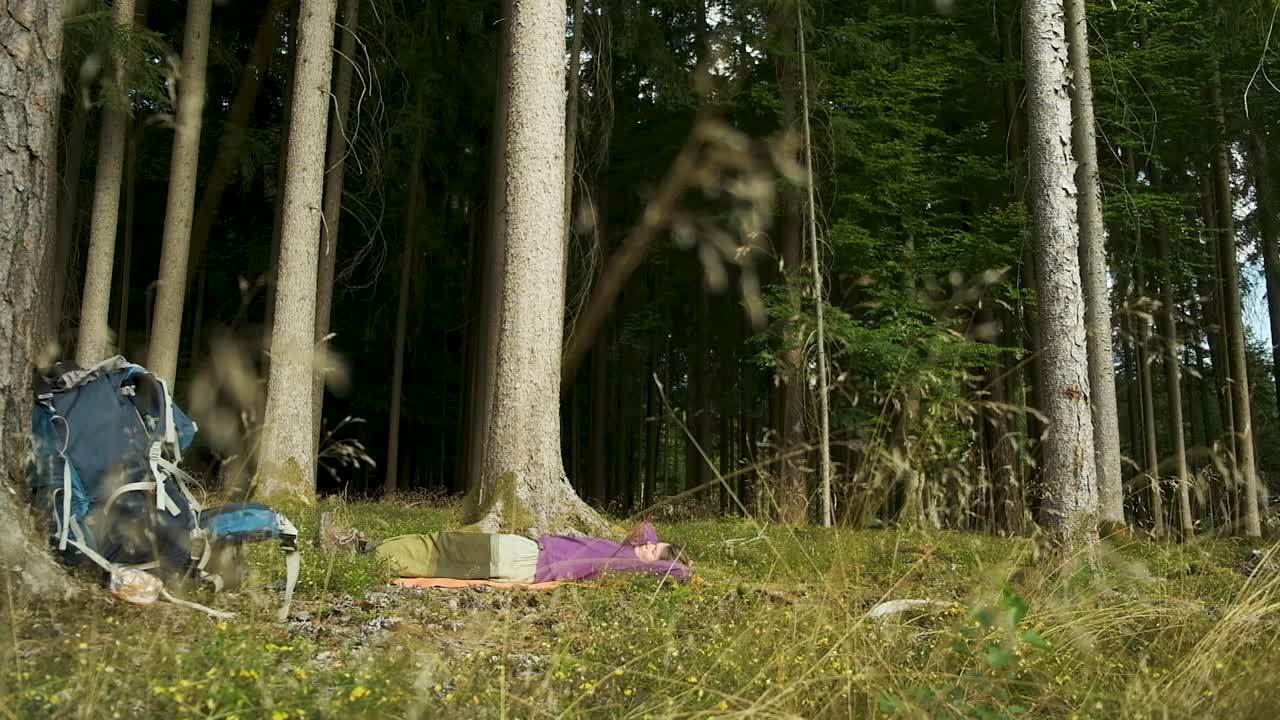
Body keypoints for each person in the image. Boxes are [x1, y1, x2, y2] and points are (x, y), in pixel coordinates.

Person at [372, 521, 691, 584]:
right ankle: (364, 548)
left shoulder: (628, 567)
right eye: (654, 544)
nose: (649, 545)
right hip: (527, 550)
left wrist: (680, 564)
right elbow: (646, 528)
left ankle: (365, 556)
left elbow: (676, 572)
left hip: (528, 561)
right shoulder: (628, 551)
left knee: (443, 548)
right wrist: (653, 546)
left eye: (655, 552)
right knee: (443, 542)